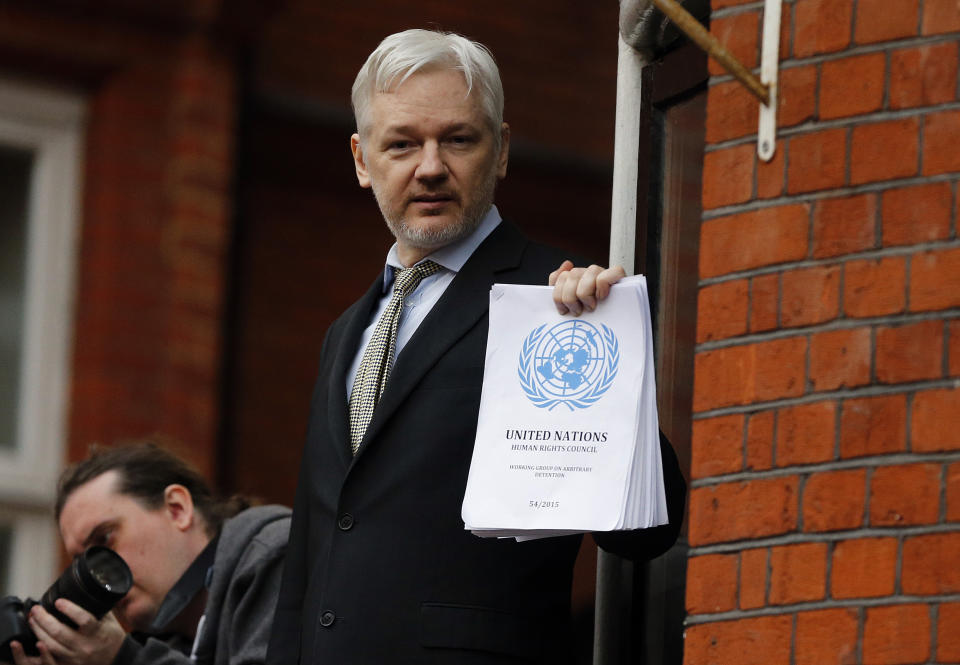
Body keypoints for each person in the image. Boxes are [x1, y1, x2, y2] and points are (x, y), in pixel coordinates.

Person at [267, 29, 687, 664]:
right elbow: (311, 554)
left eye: (458, 139)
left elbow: (647, 531)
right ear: (361, 159)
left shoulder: (559, 308)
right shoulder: (348, 329)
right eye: (402, 143)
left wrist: (604, 353)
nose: (430, 165)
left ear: (502, 151)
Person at [7, 442, 290, 665]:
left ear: (177, 509)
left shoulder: (275, 556)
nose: (97, 574)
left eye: (105, 539)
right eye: (81, 562)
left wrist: (125, 659)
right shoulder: (163, 645)